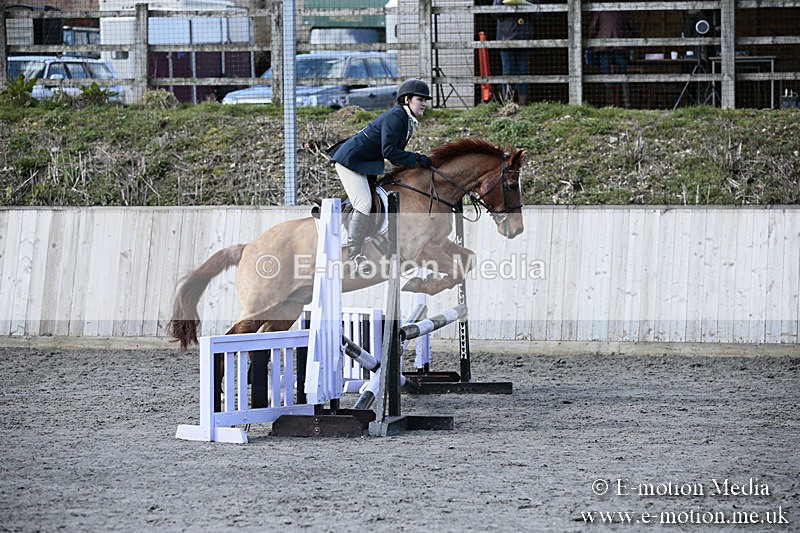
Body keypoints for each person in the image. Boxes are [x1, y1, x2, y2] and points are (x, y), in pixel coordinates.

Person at [330, 78, 433, 271]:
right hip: (350, 162)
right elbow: (389, 151)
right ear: (407, 99)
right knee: (364, 203)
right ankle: (354, 257)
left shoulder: (405, 119)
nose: (425, 104)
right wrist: (416, 158)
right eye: (421, 99)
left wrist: (416, 164)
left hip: (365, 163)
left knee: (374, 200)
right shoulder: (397, 117)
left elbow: (394, 156)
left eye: (425, 100)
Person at [493, 0, 538, 105]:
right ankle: (508, 103)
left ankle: (523, 104)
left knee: (523, 71)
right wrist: (507, 6)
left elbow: (538, 14)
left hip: (525, 38)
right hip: (506, 38)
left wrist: (525, 6)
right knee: (508, 70)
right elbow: (494, 13)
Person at [588, 11, 636, 108]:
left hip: (604, 48)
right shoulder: (623, 12)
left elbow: (593, 28)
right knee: (624, 76)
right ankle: (627, 104)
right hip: (620, 47)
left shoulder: (600, 11)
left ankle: (610, 104)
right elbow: (632, 29)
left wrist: (590, 39)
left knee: (607, 76)